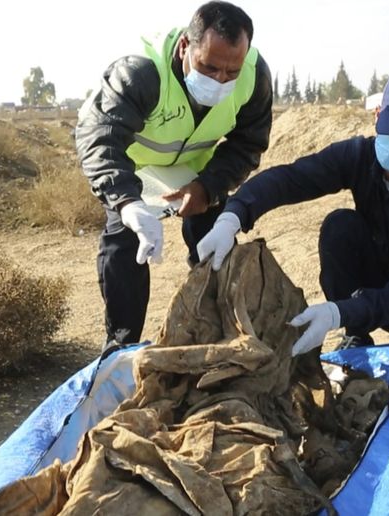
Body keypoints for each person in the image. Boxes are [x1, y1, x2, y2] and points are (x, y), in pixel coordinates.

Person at [197, 69, 389, 409]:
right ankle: (357, 331)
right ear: (377, 115)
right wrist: (232, 216)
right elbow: (292, 178)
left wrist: (337, 312)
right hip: (380, 288)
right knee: (340, 225)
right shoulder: (358, 156)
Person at [76, 1, 273, 349]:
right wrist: (127, 202)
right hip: (135, 168)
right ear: (186, 46)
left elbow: (247, 144)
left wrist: (208, 187)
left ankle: (219, 332)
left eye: (231, 72)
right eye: (209, 67)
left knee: (215, 242)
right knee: (126, 241)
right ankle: (121, 344)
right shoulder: (141, 72)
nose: (221, 81)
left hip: (196, 166)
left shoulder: (254, 76)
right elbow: (100, 139)